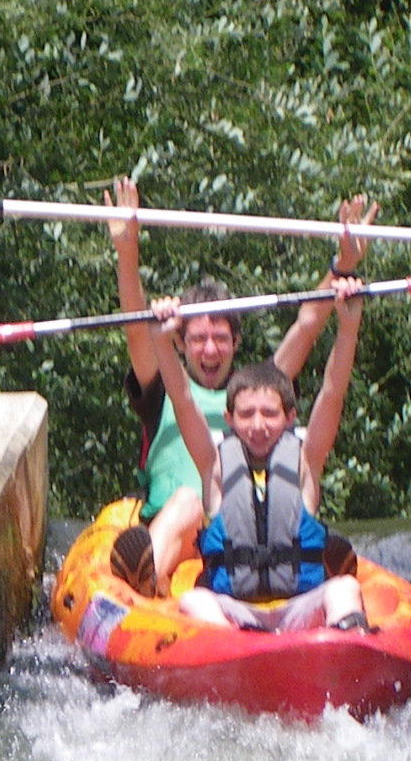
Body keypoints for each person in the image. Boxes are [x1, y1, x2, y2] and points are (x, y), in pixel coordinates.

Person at [107, 178, 367, 594]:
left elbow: (307, 326)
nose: (210, 349)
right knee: (189, 503)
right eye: (197, 339)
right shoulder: (163, 389)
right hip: (175, 524)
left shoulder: (253, 396)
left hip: (240, 530)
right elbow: (139, 329)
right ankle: (146, 577)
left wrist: (343, 266)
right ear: (180, 342)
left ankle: (305, 571)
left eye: (221, 338)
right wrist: (127, 250)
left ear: (236, 343)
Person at [148, 277, 371, 633]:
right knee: (193, 599)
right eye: (247, 414)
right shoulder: (215, 464)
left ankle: (346, 645)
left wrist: (348, 326)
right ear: (230, 419)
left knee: (345, 587)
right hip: (234, 613)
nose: (258, 425)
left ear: (289, 418)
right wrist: (162, 336)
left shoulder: (305, 462)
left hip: (298, 609)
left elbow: (332, 391)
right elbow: (181, 397)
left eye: (269, 414)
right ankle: (231, 652)